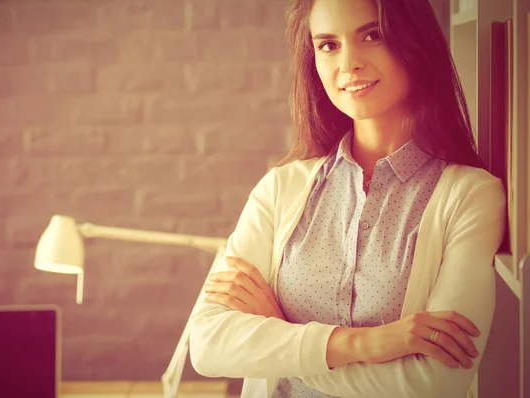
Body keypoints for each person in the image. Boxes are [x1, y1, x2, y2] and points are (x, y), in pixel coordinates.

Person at [188, 0, 507, 397]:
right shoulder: (280, 188)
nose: (349, 63)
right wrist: (369, 344)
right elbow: (207, 344)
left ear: (415, 43)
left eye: (372, 35)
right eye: (328, 45)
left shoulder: (470, 196)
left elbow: (433, 383)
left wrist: (284, 338)